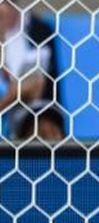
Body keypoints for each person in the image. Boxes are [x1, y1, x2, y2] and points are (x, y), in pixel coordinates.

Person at [0, 1, 60, 136]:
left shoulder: (41, 30)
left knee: (47, 129)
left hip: (23, 129)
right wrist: (15, 95)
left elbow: (52, 95)